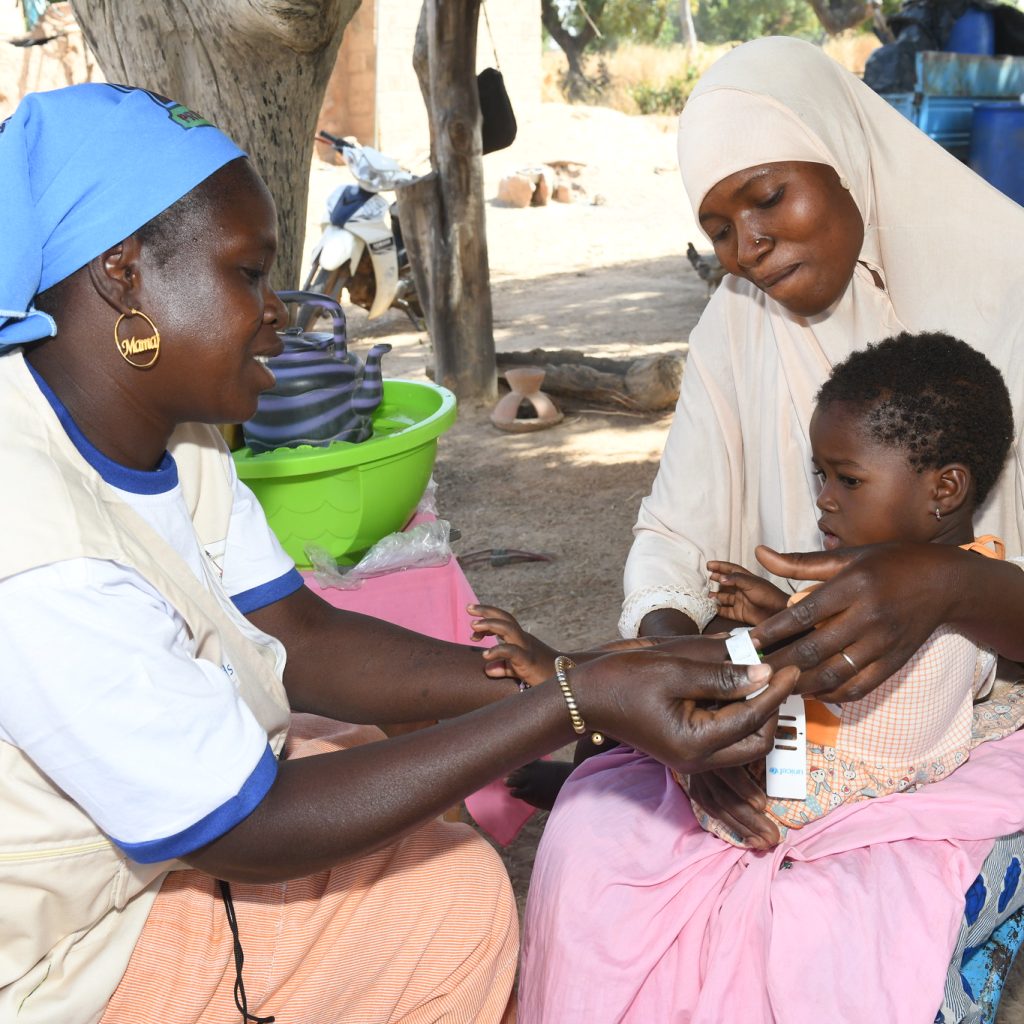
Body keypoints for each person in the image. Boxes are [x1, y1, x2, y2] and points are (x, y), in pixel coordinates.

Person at [0, 84, 798, 1024]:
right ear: (124, 275)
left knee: (386, 771)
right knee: (449, 905)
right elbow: (251, 826)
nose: (281, 313)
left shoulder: (167, 431)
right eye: (249, 275)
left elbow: (299, 637)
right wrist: (575, 705)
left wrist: (586, 675)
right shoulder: (40, 555)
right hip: (62, 954)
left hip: (142, 846)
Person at [517, 37, 1024, 1024]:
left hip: (974, 717)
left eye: (765, 197)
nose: (744, 244)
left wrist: (948, 585)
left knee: (847, 926)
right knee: (593, 842)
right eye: (715, 226)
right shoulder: (739, 323)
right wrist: (685, 701)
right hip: (773, 707)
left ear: (840, 152)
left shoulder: (1010, 293)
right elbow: (673, 531)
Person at [691, 330, 1017, 845]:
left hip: (808, 787)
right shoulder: (984, 569)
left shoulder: (924, 605)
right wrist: (782, 608)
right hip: (843, 755)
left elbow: (791, 678)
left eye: (849, 480)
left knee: (672, 689)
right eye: (821, 475)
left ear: (945, 489)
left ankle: (574, 686)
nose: (823, 499)